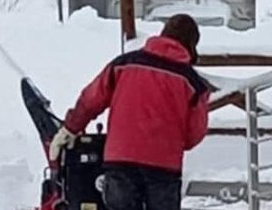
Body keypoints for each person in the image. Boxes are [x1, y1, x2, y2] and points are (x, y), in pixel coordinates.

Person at [48, 14, 210, 210]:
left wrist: (70, 128)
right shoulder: (193, 84)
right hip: (164, 169)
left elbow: (91, 99)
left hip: (120, 161)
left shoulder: (124, 65)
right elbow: (194, 135)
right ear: (191, 46)